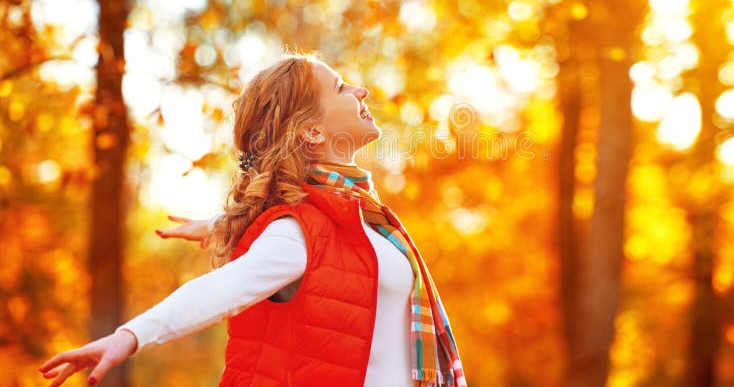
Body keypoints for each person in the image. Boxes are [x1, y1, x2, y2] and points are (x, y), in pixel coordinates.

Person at [38, 52, 467, 387]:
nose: (362, 91)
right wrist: (129, 336)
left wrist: (222, 222)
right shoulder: (296, 232)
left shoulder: (362, 217)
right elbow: (222, 290)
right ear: (312, 132)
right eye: (340, 88)